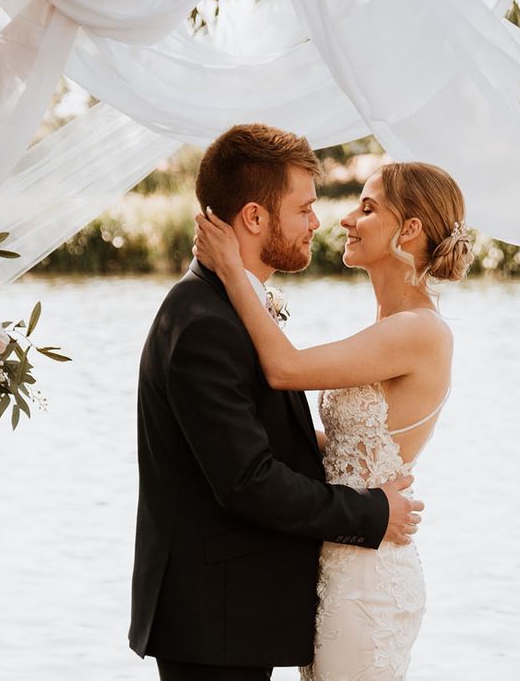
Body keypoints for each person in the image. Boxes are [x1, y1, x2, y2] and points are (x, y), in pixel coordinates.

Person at [129, 123, 424, 681]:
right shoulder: (203, 324)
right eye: (304, 208)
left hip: (237, 617)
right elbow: (248, 480)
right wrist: (372, 512)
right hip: (216, 622)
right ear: (255, 218)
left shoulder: (227, 308)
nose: (318, 222)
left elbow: (272, 440)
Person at [194, 159, 474, 679]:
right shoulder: (388, 327)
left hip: (368, 578)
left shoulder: (420, 331)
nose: (344, 219)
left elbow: (284, 369)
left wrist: (233, 270)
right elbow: (343, 443)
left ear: (408, 230)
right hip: (339, 558)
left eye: (367, 208)